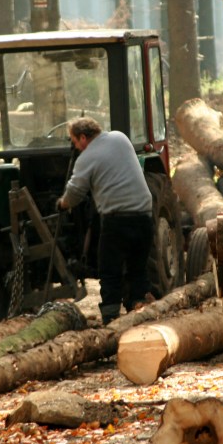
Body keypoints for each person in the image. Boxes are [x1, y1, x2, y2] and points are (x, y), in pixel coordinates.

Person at [57, 116, 154, 324]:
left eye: (74, 142)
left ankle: (111, 320)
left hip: (117, 220)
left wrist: (62, 204)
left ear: (83, 138)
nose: (76, 147)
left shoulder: (86, 158)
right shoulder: (120, 138)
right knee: (138, 269)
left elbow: (75, 193)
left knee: (110, 271)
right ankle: (140, 310)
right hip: (145, 215)